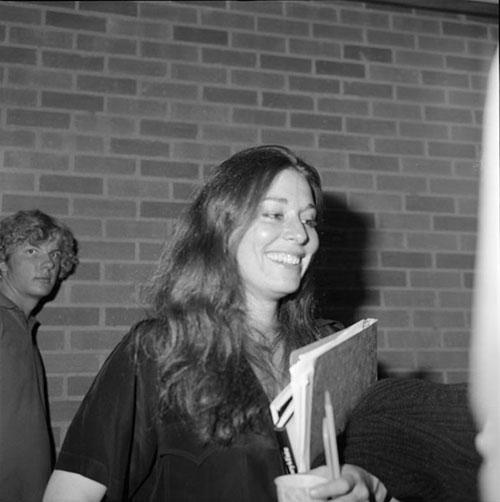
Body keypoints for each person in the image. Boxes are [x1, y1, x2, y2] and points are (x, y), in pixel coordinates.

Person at [43, 145, 392, 502]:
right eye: (274, 214)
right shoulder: (161, 350)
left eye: (308, 218)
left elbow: (381, 477)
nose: (300, 234)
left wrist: (367, 487)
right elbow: (70, 493)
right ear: (221, 228)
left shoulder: (333, 349)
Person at [0, 209, 78, 502]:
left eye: (55, 254)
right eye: (31, 250)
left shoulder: (20, 325)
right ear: (2, 262)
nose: (47, 263)